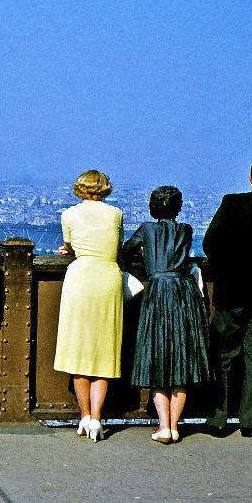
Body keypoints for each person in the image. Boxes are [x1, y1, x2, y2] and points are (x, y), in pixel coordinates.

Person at [123, 186, 212, 444]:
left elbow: (127, 250)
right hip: (183, 292)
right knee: (181, 358)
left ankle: (163, 425)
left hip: (159, 290)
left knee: (158, 356)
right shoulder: (185, 230)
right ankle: (174, 426)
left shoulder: (146, 230)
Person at [203, 158, 252, 438]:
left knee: (225, 355)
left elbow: (210, 243)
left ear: (250, 178)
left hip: (231, 292)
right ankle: (248, 419)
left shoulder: (231, 203)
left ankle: (220, 416)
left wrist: (225, 272)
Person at [54, 170, 123, 442]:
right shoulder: (115, 213)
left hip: (80, 279)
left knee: (78, 350)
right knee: (104, 351)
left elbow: (71, 246)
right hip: (108, 278)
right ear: (105, 188)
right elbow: (114, 247)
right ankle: (97, 417)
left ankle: (84, 415)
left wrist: (68, 252)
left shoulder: (68, 214)